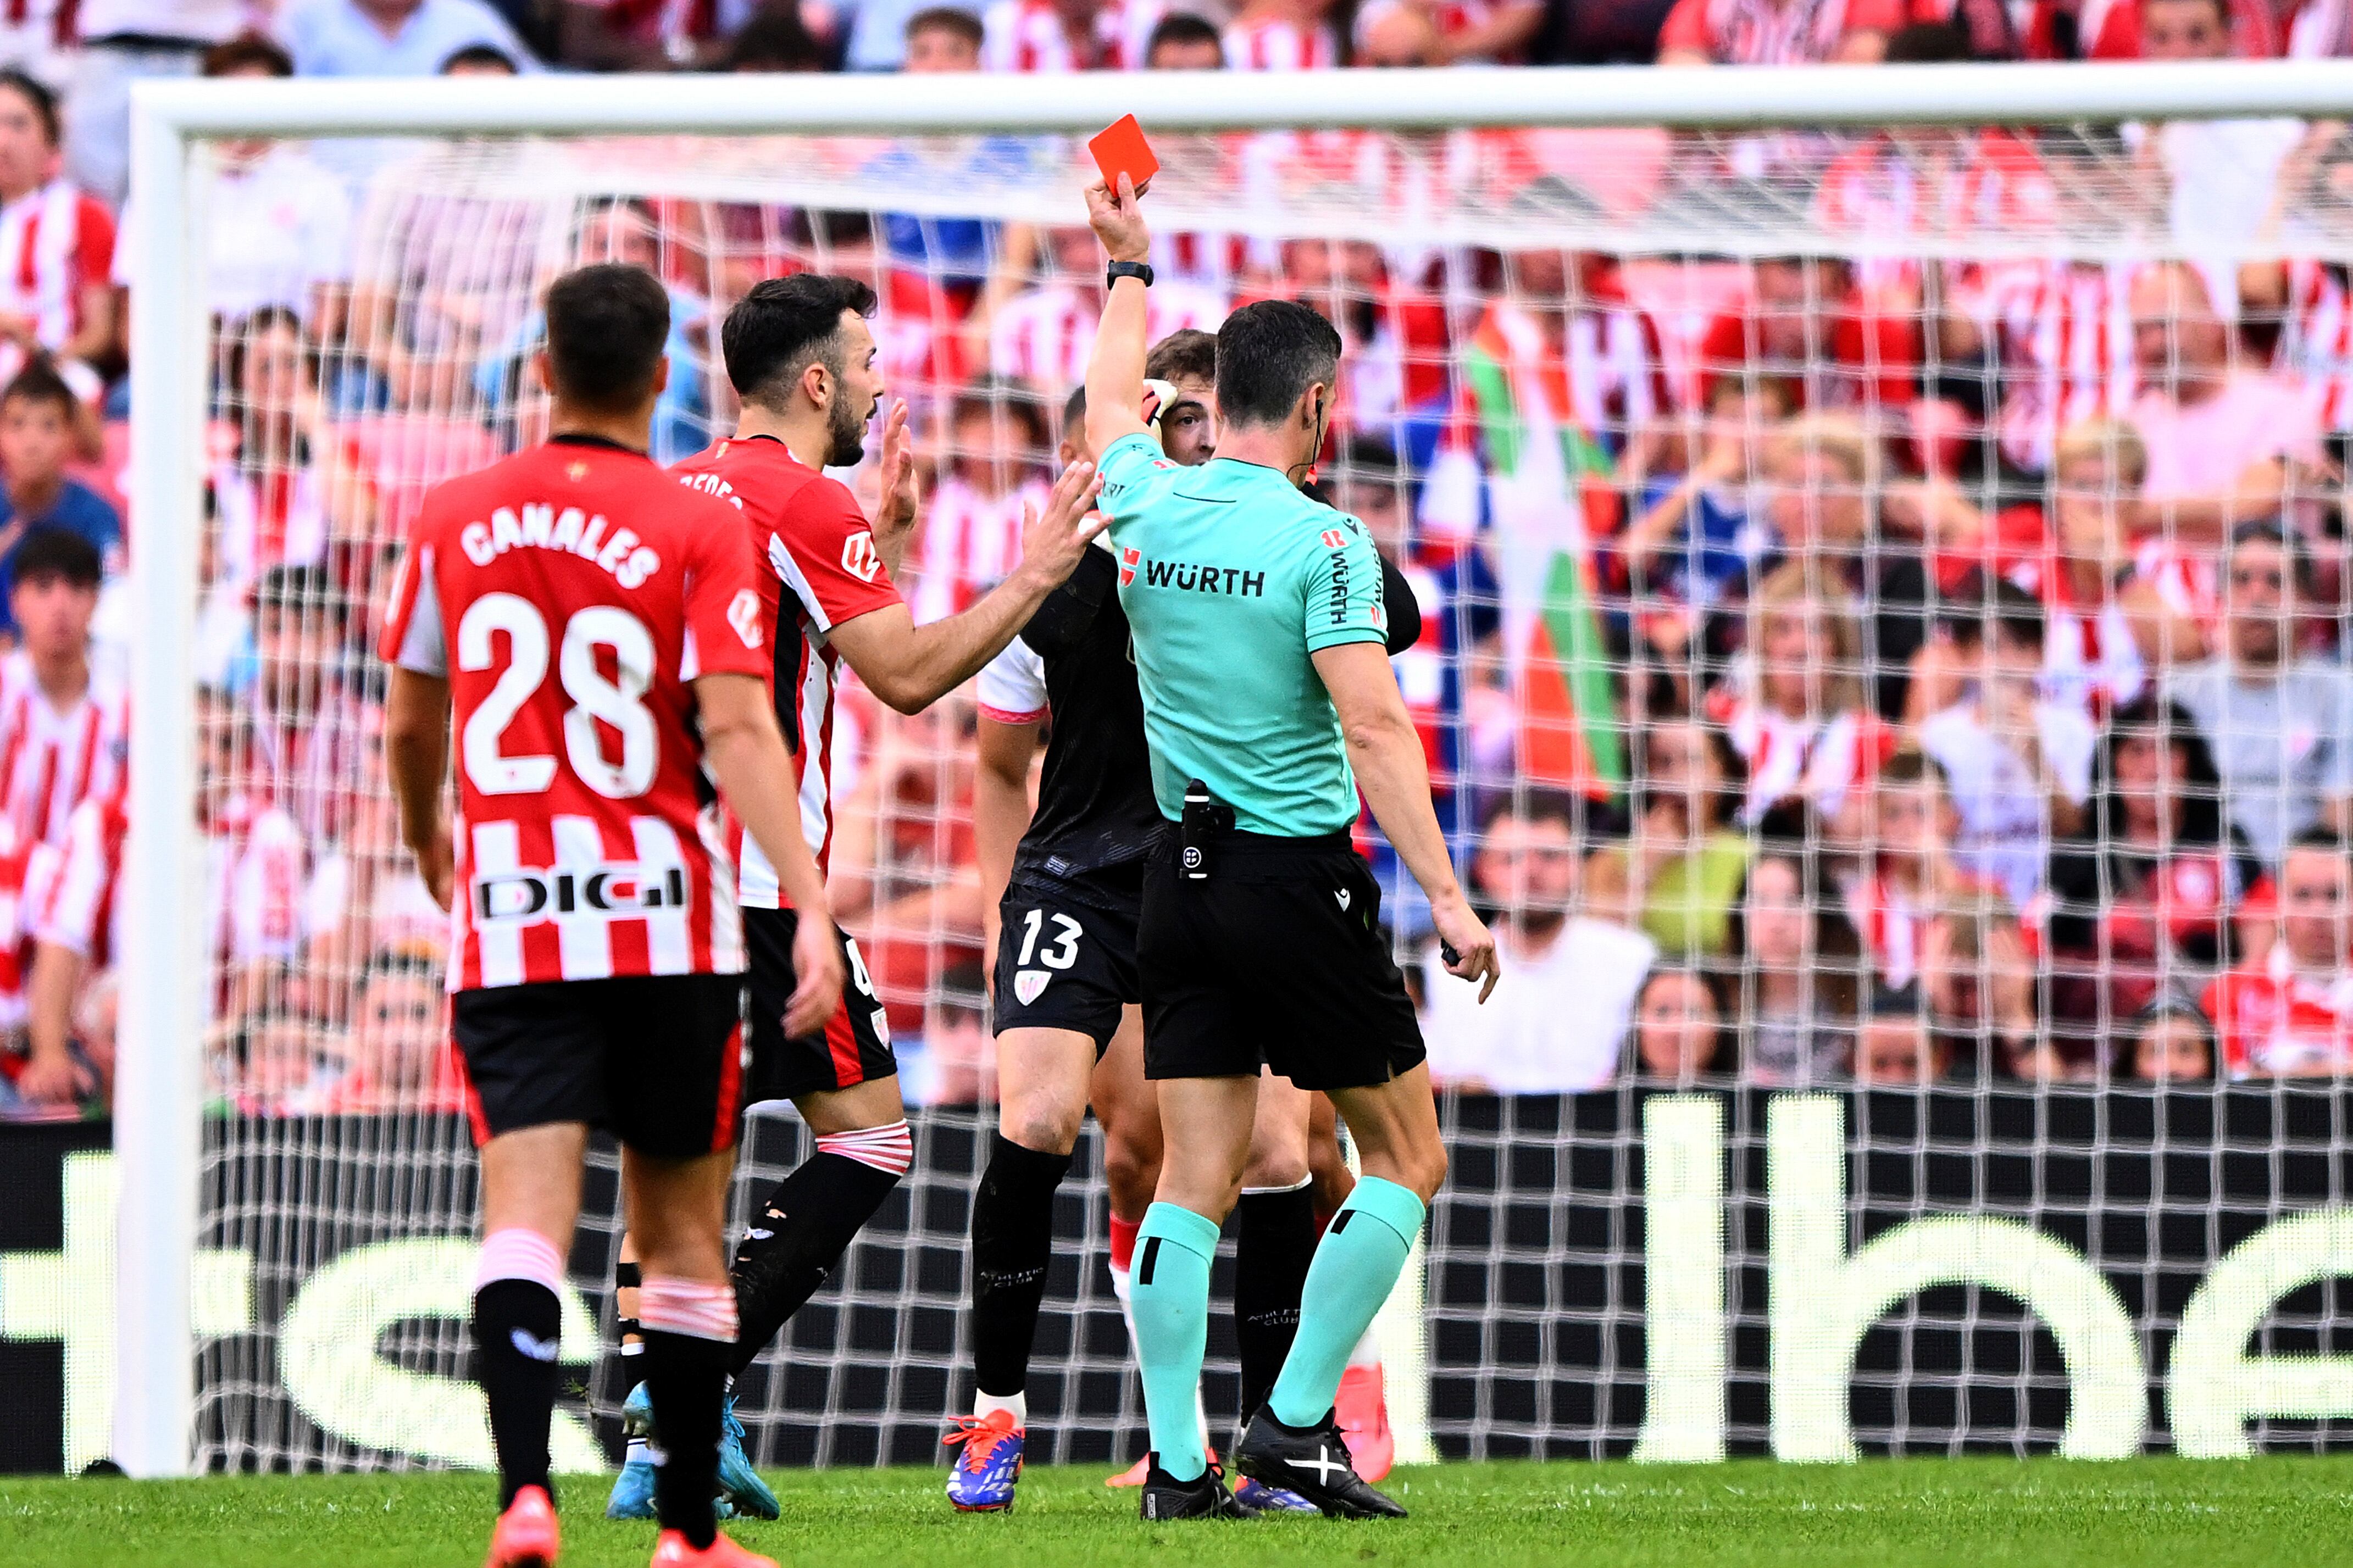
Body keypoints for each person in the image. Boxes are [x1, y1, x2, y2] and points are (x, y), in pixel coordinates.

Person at [602, 270, 1106, 1522]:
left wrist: (874, 548)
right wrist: (1037, 569)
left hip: (649, 874)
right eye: (869, 361)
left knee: (682, 1152)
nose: (884, 384)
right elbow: (910, 677)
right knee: (870, 1133)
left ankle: (668, 1413)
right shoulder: (800, 495)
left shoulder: (673, 492)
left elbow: (768, 633)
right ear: (817, 380)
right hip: (759, 886)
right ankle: (684, 1380)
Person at [379, 262, 841, 1568]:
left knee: (522, 1213)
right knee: (683, 1236)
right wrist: (804, 902)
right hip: (669, 921)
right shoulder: (698, 522)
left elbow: (412, 714)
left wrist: (429, 838)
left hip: (517, 914)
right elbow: (742, 727)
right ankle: (687, 1534)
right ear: (660, 379)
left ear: (539, 369)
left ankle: (526, 1495)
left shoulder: (453, 515)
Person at [1083, 171, 1497, 1521]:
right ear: (1315, 408)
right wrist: (1445, 891)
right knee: (1407, 1157)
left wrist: (1125, 268)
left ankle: (1177, 1464)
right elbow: (1375, 731)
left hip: (1174, 882)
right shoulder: (1322, 540)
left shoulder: (1142, 493)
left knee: (1189, 1177)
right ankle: (1298, 1423)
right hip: (1292, 879)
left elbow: (1105, 412)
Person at [958, 342, 1425, 1511]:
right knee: (1066, 1125)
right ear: (1102, 449)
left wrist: (1281, 497)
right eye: (1166, 416)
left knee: (1265, 1155)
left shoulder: (1259, 533)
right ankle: (1005, 1415)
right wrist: (994, 910)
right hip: (1093, 874)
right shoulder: (1053, 581)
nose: (1192, 435)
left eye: (1209, 416)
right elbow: (997, 762)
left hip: (1185, 870)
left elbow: (1389, 615)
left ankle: (1260, 1435)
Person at [1422, 791, 1654, 1093]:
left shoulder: (1631, 959)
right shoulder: (1442, 966)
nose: (1531, 872)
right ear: (1483, 869)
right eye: (1512, 859)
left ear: (1579, 863)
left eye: (1549, 856)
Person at [2164, 523, 2353, 868]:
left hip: (2300, 890)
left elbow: (2338, 822)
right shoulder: (2180, 693)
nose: (2258, 596)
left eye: (2275, 581)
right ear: (2221, 596)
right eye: (2242, 580)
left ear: (2305, 599)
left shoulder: (2339, 693)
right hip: (2201, 886)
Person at [1917, 578, 2095, 908]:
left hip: (2053, 905)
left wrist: (2036, 756)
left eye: (2021, 647)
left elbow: (2079, 832)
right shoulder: (1937, 737)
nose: (2006, 661)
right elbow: (1925, 835)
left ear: (2039, 655)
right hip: (1968, 905)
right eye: (1991, 646)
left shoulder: (2072, 729)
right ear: (1966, 657)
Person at [0, 529, 123, 848]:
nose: (61, 604)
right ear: (15, 601)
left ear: (96, 601)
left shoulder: (124, 710)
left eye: (78, 587)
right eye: (43, 586)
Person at [2201, 829, 2353, 1075]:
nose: (2319, 913)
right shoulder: (2230, 995)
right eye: (2303, 896)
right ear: (2277, 901)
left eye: (2335, 896)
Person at [1727, 833, 1863, 1086]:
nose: (1777, 921)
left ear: (1822, 914)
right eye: (1762, 900)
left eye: (1794, 901)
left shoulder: (1859, 1005)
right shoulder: (1718, 1007)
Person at [0, 365, 121, 627]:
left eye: (48, 426)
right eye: (18, 425)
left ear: (69, 436)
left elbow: (112, 605)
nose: (31, 443)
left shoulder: (96, 517)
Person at [1628, 966, 1732, 1083]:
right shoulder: (1608, 1099)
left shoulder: (1750, 1099)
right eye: (1662, 1012)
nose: (1676, 1028)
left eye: (1693, 1014)